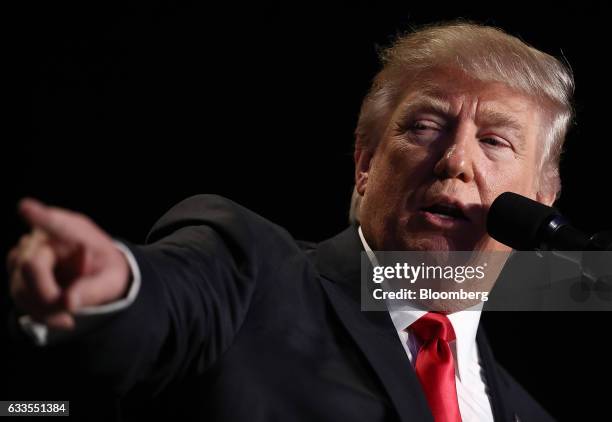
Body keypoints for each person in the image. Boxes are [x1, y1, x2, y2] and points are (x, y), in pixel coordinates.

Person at [6, 22, 572, 421]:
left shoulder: (530, 412)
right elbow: (166, 301)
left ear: (541, 204)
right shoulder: (249, 273)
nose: (455, 160)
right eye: (425, 126)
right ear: (366, 165)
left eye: (494, 139)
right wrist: (115, 289)